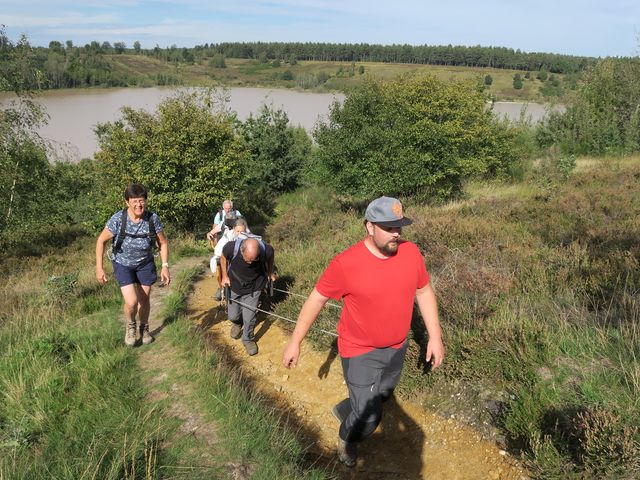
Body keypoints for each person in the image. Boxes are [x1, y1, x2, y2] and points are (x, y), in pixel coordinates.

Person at [282, 196, 444, 467]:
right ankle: (347, 436)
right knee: (370, 418)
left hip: (396, 347)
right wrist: (295, 341)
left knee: (382, 396)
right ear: (369, 227)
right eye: (389, 228)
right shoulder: (346, 263)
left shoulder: (410, 252)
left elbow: (424, 290)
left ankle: (349, 408)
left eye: (399, 227)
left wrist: (435, 337)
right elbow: (316, 299)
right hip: (359, 351)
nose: (396, 234)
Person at [95, 183, 170, 347]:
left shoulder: (152, 218)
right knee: (131, 302)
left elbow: (163, 243)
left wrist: (165, 265)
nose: (139, 205)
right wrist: (99, 268)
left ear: (146, 201)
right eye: (134, 201)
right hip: (123, 264)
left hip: (145, 263)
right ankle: (130, 326)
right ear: (127, 202)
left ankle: (144, 328)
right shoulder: (118, 219)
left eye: (141, 201)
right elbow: (101, 241)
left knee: (144, 300)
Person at [220, 234, 275, 356]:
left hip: (254, 287)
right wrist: (224, 276)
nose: (250, 262)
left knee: (249, 318)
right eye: (248, 259)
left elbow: (271, 255)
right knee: (233, 316)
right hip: (234, 285)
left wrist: (270, 272)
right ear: (241, 250)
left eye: (254, 259)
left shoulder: (265, 250)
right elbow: (223, 258)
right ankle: (237, 322)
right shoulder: (231, 248)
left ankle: (248, 339)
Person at [210, 218, 248, 301]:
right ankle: (221, 288)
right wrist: (210, 234)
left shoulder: (244, 229)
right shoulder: (226, 231)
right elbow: (221, 250)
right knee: (220, 264)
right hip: (226, 253)